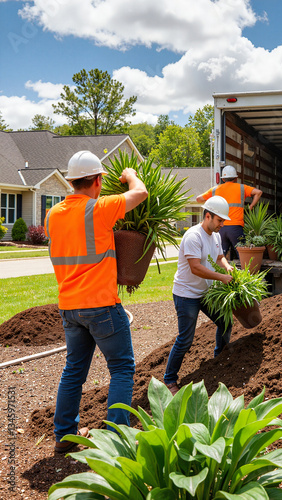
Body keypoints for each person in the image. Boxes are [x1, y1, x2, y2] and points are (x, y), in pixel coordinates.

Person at [44, 150, 148, 453]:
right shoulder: (99, 209)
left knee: (74, 370)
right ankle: (117, 439)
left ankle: (64, 435)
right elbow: (140, 192)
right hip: (101, 305)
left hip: (69, 307)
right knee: (122, 368)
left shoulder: (53, 214)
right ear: (98, 181)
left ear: (71, 181)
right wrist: (129, 174)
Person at [164, 196, 234, 395]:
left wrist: (227, 267)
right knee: (185, 339)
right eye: (219, 220)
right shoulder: (193, 236)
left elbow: (219, 257)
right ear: (208, 216)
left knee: (225, 321)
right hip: (186, 294)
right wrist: (221, 278)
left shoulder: (216, 236)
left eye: (223, 221)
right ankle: (169, 380)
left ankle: (218, 358)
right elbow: (195, 268)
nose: (222, 224)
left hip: (204, 293)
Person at [196, 165, 262, 259]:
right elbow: (258, 192)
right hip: (235, 227)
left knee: (219, 257)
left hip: (220, 228)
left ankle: (218, 273)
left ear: (223, 179)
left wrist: (210, 204)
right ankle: (244, 273)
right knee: (244, 257)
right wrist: (251, 206)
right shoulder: (242, 188)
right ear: (236, 178)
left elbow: (198, 199)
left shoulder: (215, 190)